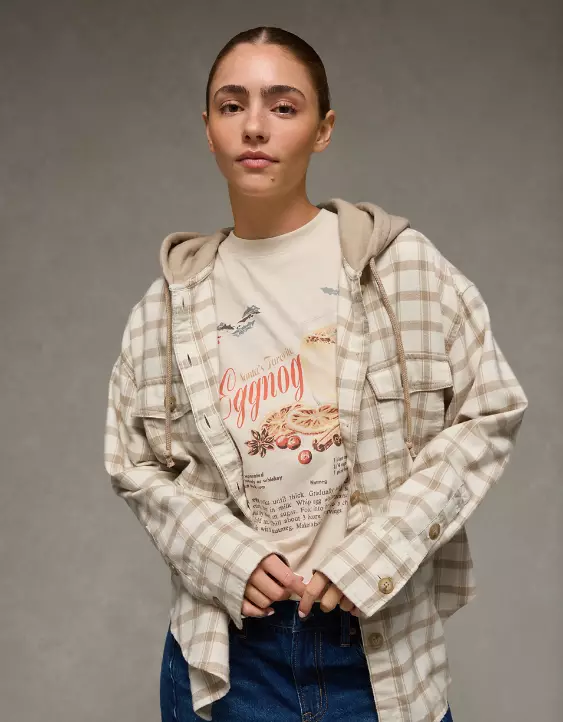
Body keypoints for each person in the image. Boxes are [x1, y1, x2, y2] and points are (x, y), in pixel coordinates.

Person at [103, 25, 528, 722]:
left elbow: (490, 411)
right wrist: (229, 557)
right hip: (230, 659)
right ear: (208, 129)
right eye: (232, 105)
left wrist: (373, 557)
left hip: (383, 652)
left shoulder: (401, 268)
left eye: (283, 105)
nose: (255, 126)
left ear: (323, 129)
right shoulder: (166, 307)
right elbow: (134, 463)